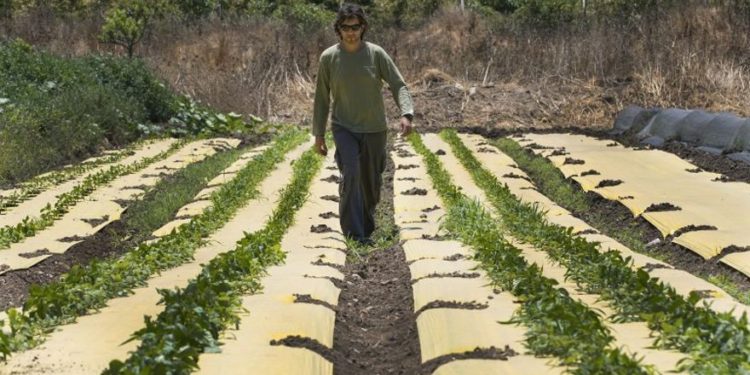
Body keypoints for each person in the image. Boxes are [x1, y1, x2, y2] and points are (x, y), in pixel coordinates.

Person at [312, 2, 414, 245]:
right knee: (351, 173)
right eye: (346, 27)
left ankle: (366, 227)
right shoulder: (329, 58)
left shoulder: (376, 54)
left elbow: (398, 85)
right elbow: (322, 99)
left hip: (374, 128)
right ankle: (354, 234)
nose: (351, 32)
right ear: (338, 29)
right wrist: (318, 135)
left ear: (363, 28)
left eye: (355, 27)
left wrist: (407, 114)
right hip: (344, 127)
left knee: (371, 183)